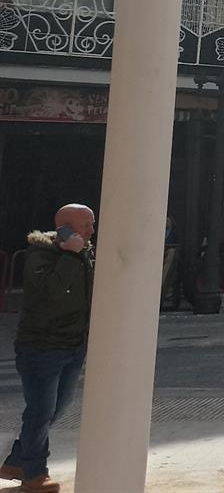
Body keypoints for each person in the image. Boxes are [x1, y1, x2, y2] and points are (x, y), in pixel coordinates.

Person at [3, 204, 95, 491]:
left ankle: (18, 459)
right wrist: (70, 253)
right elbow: (53, 292)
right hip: (41, 347)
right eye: (85, 225)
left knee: (56, 409)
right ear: (64, 228)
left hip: (73, 346)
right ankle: (34, 473)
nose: (91, 231)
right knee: (41, 411)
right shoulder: (39, 254)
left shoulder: (85, 254)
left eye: (92, 225)